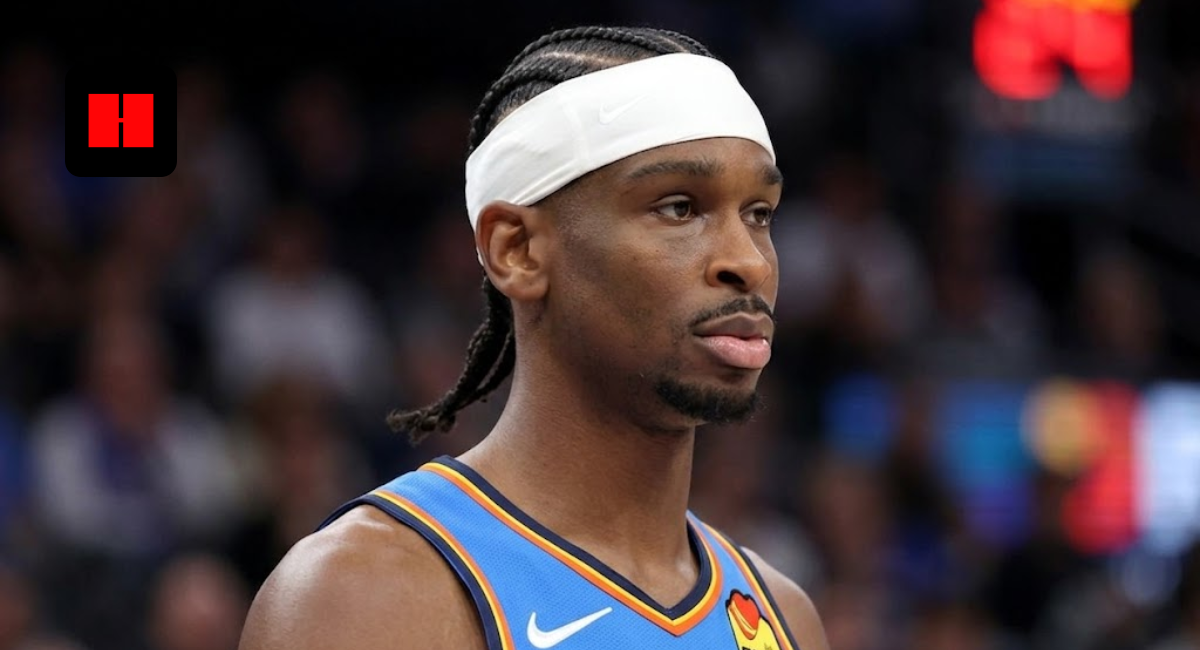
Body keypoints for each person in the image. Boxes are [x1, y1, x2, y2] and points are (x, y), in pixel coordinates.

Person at [239, 25, 831, 650]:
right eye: (679, 207)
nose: (751, 262)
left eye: (759, 214)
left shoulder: (783, 614)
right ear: (516, 250)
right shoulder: (369, 592)